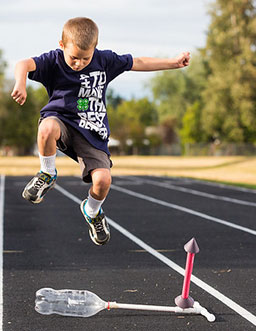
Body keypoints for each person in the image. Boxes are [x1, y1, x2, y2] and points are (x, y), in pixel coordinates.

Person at [11, 17, 190, 246]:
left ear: (95, 49)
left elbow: (138, 62)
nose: (78, 63)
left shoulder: (104, 61)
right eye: (74, 57)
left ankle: (92, 211)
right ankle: (47, 173)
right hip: (62, 121)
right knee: (46, 127)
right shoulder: (53, 61)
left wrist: (173, 63)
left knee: (103, 180)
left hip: (92, 132)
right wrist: (20, 83)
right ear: (62, 45)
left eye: (85, 58)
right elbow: (22, 64)